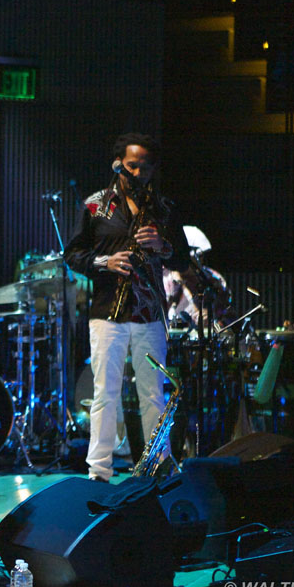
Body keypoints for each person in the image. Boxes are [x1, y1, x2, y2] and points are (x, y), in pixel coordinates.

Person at [64, 133, 190, 482]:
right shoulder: (95, 205)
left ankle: (157, 465)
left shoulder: (163, 208)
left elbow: (182, 257)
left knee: (153, 393)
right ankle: (99, 470)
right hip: (107, 312)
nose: (139, 173)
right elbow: (72, 254)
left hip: (149, 313)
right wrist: (104, 261)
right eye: (132, 166)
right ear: (118, 164)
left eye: (145, 167)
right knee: (105, 392)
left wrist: (162, 245)